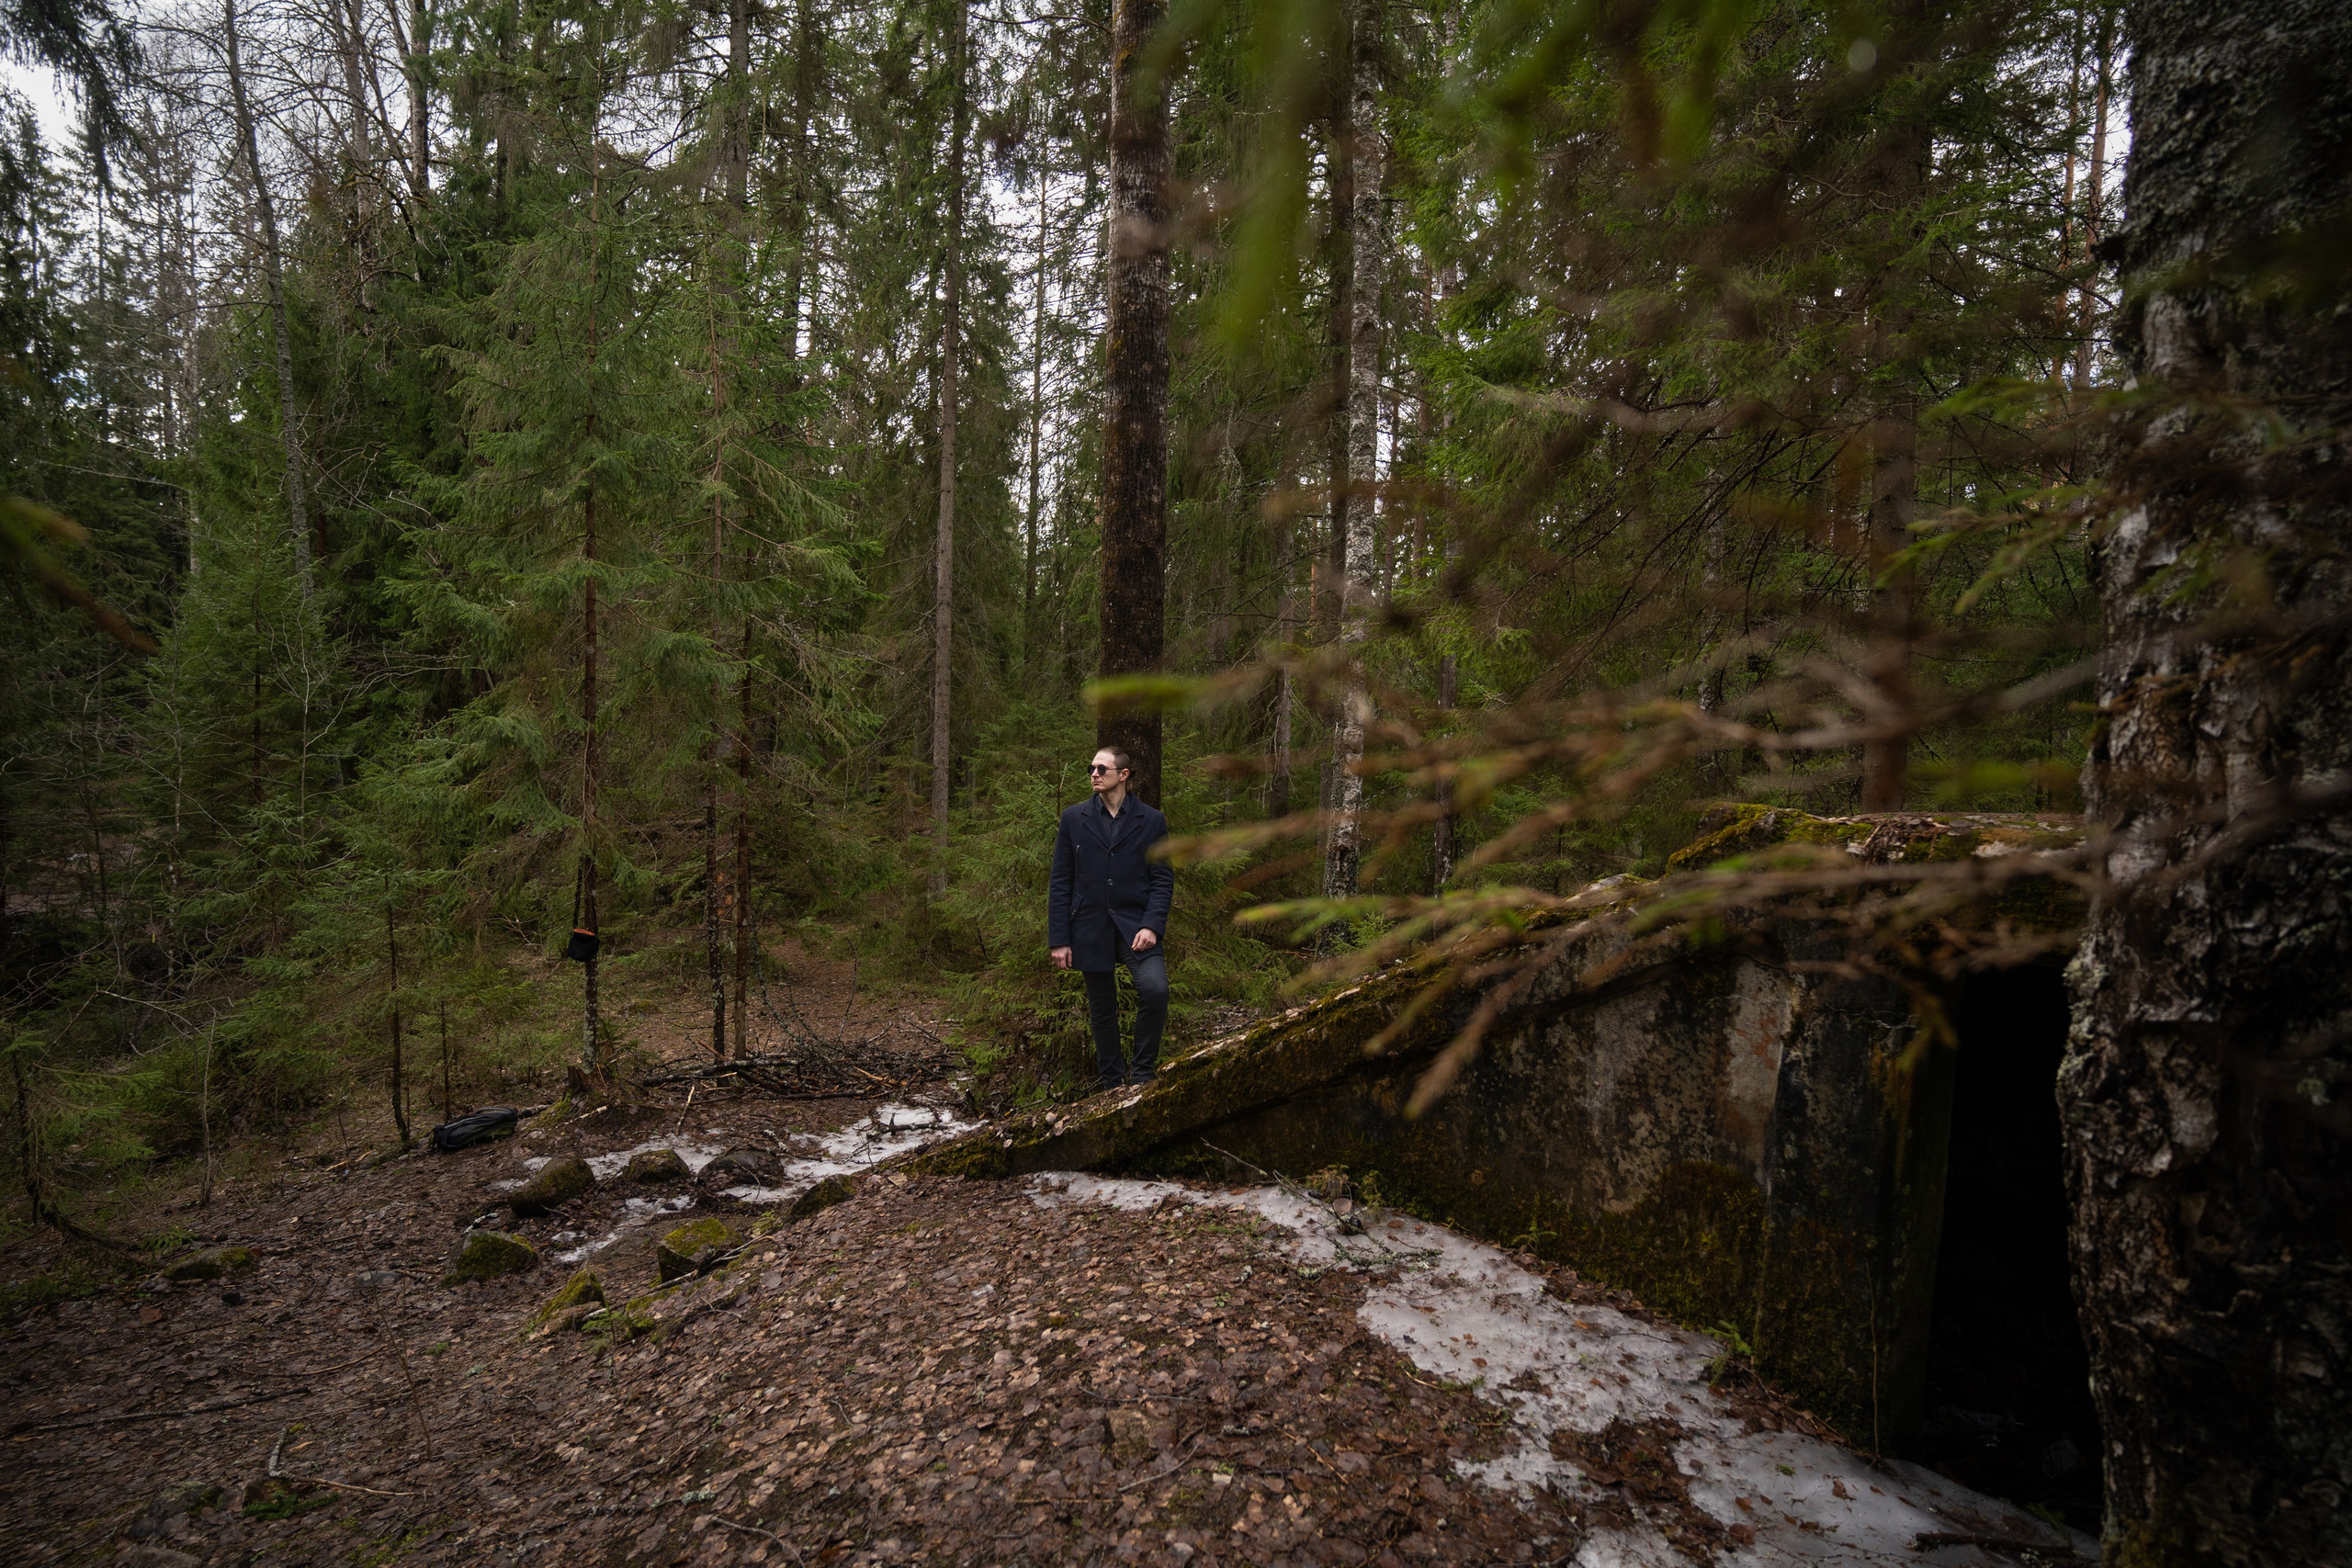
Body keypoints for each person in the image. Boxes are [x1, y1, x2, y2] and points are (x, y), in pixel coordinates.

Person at [1047, 746, 1174, 1090]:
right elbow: (1061, 881)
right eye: (1091, 768)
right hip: (1089, 925)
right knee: (1102, 1008)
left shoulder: (1151, 820)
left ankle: (1143, 1075)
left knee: (1155, 990)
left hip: (1136, 925)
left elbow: (1162, 880)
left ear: (1123, 775)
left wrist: (1152, 925)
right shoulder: (1074, 818)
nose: (1094, 774)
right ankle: (1112, 1083)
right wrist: (1059, 939)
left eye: (1102, 769)